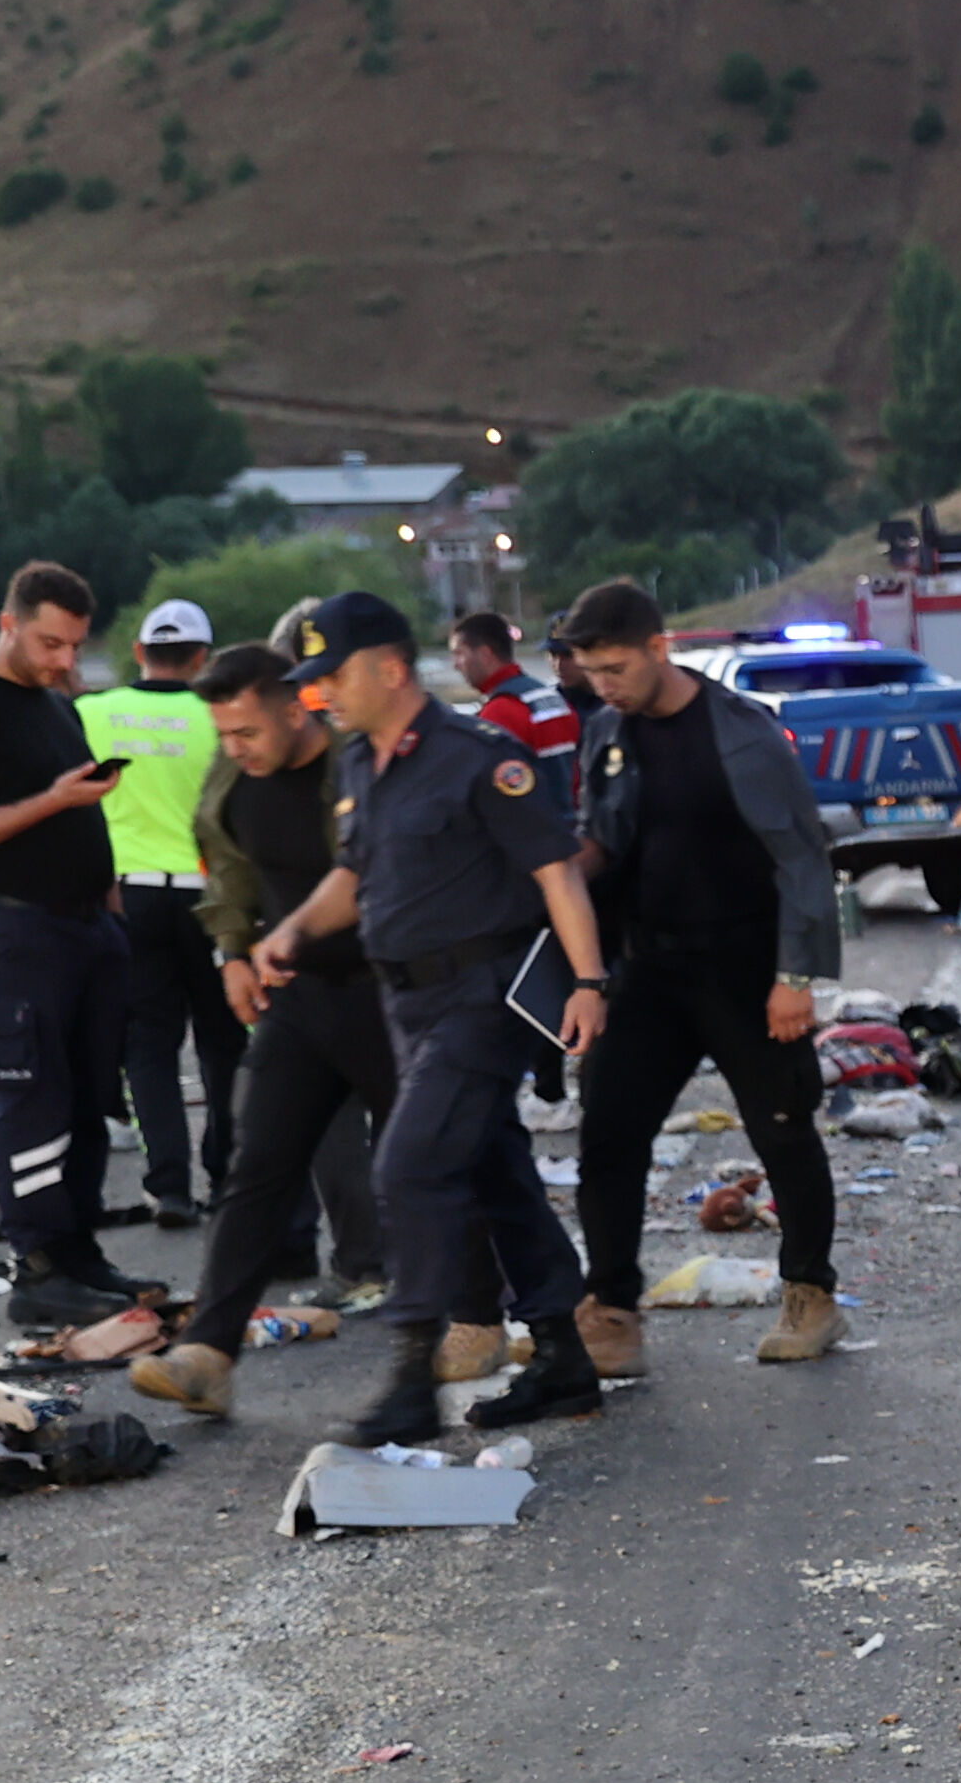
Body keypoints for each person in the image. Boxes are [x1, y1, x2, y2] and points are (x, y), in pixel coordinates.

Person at [250, 592, 617, 1445]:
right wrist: (295, 930)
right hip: (406, 1003)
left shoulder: (478, 756)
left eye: (331, 676)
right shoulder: (358, 764)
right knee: (494, 1173)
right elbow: (357, 875)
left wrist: (590, 982)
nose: (320, 694)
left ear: (388, 667)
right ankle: (562, 1353)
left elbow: (557, 872)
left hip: (480, 999)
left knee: (409, 1165)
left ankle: (412, 1376)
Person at [131, 643, 451, 1415]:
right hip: (300, 998)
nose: (234, 749)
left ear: (294, 707)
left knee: (446, 1159)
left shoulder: (357, 765)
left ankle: (502, 1314)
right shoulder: (234, 773)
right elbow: (225, 861)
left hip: (388, 995)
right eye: (224, 736)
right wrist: (233, 951)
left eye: (247, 732)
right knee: (258, 1165)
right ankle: (208, 1349)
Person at [565, 576, 851, 1371]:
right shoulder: (605, 734)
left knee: (784, 1132)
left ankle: (810, 1295)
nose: (605, 686)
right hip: (648, 968)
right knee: (609, 1137)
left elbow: (801, 858)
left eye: (616, 668)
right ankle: (613, 1311)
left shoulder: (743, 736)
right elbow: (602, 840)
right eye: (593, 674)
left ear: (660, 648)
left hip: (745, 966)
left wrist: (795, 976)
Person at [0, 562, 148, 1310]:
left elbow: (84, 817)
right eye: (50, 643)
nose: (64, 661)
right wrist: (50, 802)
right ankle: (40, 1262)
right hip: (18, 929)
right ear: (8, 623)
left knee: (88, 1098)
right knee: (31, 1099)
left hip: (86, 928)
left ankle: (79, 1250)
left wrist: (112, 914)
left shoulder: (57, 707)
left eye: (75, 646)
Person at [82, 597, 239, 1233]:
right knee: (222, 1044)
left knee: (148, 1046)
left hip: (129, 896)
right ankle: (227, 1175)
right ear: (203, 658)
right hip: (208, 896)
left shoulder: (93, 713)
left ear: (140, 652)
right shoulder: (219, 717)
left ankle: (168, 1184)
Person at [450, 608, 582, 811]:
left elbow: (497, 796)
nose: (455, 665)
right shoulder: (547, 695)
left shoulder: (500, 711)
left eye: (459, 654)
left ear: (485, 654)